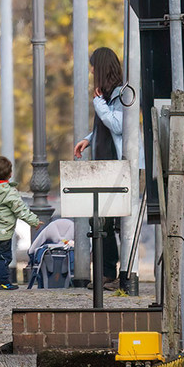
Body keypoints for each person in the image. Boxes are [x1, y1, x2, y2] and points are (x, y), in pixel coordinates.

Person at [71, 46, 137, 290]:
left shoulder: (121, 93)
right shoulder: (107, 95)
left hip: (116, 166)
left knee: (114, 222)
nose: (90, 71)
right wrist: (89, 138)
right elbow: (107, 125)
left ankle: (120, 274)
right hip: (102, 165)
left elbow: (119, 125)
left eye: (92, 67)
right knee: (98, 221)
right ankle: (106, 273)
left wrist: (98, 103)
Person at [0, 156, 41, 290]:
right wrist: (34, 221)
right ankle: (3, 282)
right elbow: (21, 210)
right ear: (10, 174)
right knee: (4, 257)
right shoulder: (8, 193)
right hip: (3, 231)